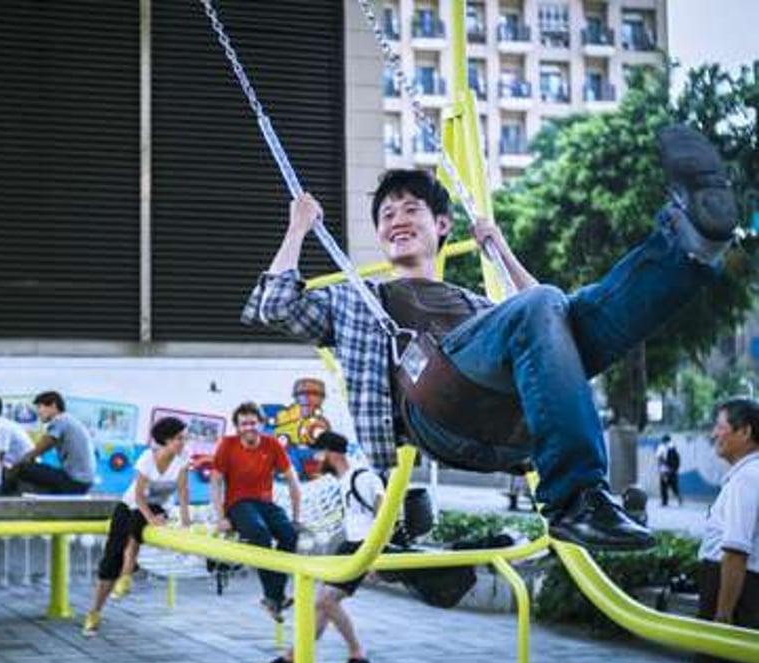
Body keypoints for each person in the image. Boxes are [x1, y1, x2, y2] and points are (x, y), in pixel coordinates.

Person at [243, 124, 739, 551]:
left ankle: (691, 245)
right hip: (437, 405)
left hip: (509, 423)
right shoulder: (360, 300)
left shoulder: (478, 306)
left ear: (441, 225)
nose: (397, 220)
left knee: (573, 313)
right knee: (541, 304)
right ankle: (575, 498)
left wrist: (499, 246)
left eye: (409, 209)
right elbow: (276, 307)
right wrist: (298, 229)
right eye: (387, 215)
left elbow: (555, 318)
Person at [256, 431, 380, 663]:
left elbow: (384, 511)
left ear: (331, 453)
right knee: (322, 605)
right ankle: (292, 658)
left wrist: (374, 558)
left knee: (325, 601)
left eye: (319, 453)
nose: (316, 458)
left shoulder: (363, 476)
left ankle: (358, 654)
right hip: (351, 546)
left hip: (365, 547)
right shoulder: (344, 479)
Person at [82, 417, 192, 636]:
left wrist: (186, 521)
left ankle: (126, 575)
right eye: (179, 439)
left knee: (137, 524)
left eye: (184, 438)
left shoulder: (182, 460)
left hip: (157, 507)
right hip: (130, 505)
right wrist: (151, 519)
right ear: (167, 440)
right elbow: (139, 496)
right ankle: (94, 612)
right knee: (111, 558)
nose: (183, 443)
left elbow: (182, 492)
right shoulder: (147, 459)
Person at [211, 401, 302, 621]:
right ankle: (275, 596)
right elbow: (215, 483)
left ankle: (273, 598)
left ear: (261, 424)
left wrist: (297, 517)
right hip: (238, 504)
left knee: (289, 534)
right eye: (243, 424)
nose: (249, 427)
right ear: (237, 427)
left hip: (265, 503)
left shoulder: (272, 444)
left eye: (253, 423)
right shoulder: (227, 444)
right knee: (260, 534)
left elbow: (292, 480)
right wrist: (221, 518)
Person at [695, 397, 759, 663]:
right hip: (746, 589)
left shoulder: (747, 478)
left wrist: (722, 615)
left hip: (735, 591)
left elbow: (735, 550)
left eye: (720, 427)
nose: (714, 435)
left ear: (745, 431)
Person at [4, 391, 96, 495]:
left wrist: (13, 467)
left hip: (75, 483)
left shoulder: (60, 420)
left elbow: (39, 449)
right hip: (83, 482)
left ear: (53, 405)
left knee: (23, 468)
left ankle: (3, 496)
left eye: (40, 407)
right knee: (30, 467)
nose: (38, 412)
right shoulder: (69, 420)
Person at [656, 434, 683, 507]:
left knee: (664, 486)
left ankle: (665, 502)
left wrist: (660, 467)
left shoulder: (664, 447)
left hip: (666, 471)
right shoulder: (673, 447)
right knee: (673, 487)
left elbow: (660, 459)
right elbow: (677, 460)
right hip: (671, 471)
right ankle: (678, 499)